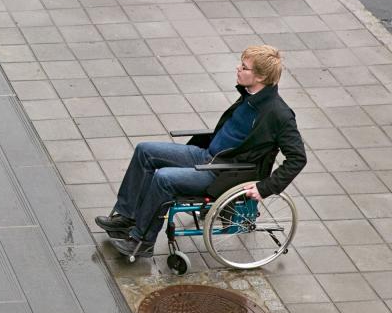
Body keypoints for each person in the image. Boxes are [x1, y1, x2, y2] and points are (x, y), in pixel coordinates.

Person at [96, 45, 306, 258]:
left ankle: (142, 241)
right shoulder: (251, 95)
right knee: (145, 151)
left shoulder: (279, 114)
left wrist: (265, 187)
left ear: (260, 77)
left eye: (244, 67)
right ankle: (127, 216)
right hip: (207, 156)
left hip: (222, 172)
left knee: (163, 179)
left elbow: (297, 158)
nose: (238, 69)